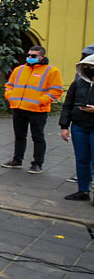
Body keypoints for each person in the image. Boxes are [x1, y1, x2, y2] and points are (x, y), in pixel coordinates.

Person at [1, 45, 64, 174]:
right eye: (28, 55)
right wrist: (10, 96)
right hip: (19, 107)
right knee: (19, 136)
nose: (30, 58)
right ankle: (17, 160)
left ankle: (37, 164)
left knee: (38, 137)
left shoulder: (51, 71)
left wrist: (40, 101)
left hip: (38, 110)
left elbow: (56, 91)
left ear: (42, 57)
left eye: (33, 56)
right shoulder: (19, 70)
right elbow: (9, 85)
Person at [60, 54, 94, 203]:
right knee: (82, 160)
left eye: (91, 67)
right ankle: (83, 191)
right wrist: (64, 126)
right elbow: (67, 105)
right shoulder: (78, 83)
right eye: (86, 67)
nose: (88, 69)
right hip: (79, 127)